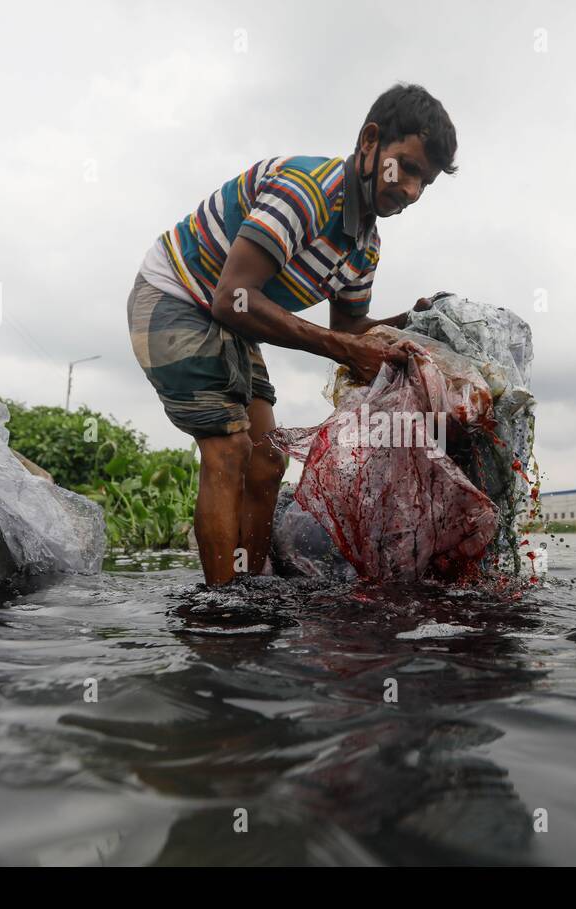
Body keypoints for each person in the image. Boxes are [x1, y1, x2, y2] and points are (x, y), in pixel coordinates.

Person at [127, 84, 458, 585]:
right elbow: (232, 297)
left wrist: (411, 324)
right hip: (178, 296)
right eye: (405, 168)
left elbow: (348, 328)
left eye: (424, 183)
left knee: (269, 460)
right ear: (369, 142)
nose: (411, 190)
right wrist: (345, 348)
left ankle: (255, 584)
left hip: (233, 318)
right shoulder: (307, 192)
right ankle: (224, 613)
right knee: (228, 449)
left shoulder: (365, 245)